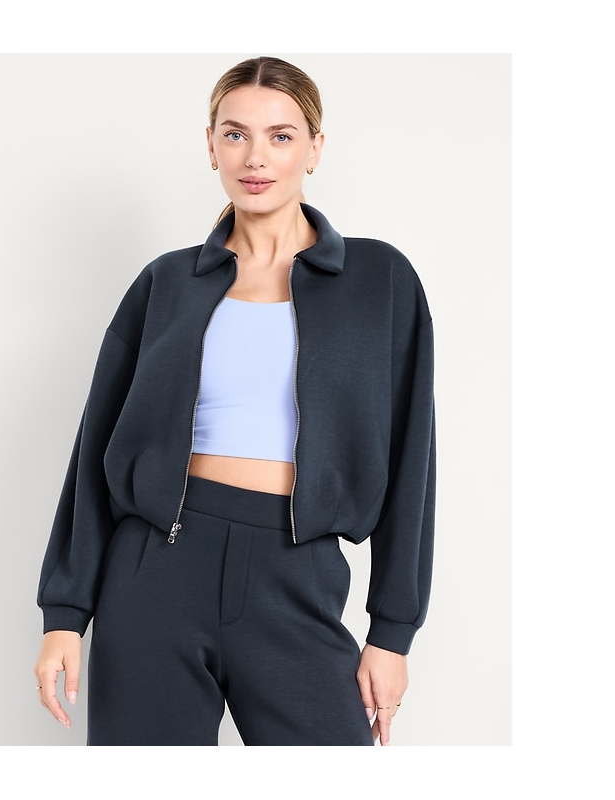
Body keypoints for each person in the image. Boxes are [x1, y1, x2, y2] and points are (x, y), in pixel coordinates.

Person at [34, 55, 436, 747]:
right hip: (154, 573)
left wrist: (392, 633)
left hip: (297, 573)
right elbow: (94, 450)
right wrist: (65, 615)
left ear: (315, 148)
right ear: (211, 144)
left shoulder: (380, 281)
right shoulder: (166, 284)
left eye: (281, 136)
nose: (256, 157)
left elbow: (412, 463)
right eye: (235, 134)